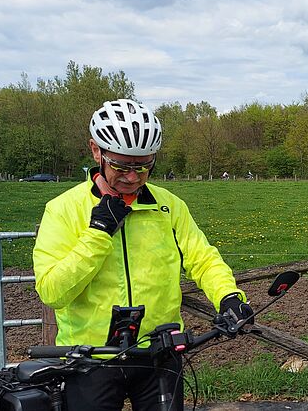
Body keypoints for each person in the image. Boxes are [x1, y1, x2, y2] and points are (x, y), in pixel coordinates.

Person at [32, 98, 253, 411]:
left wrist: (228, 296)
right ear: (96, 151)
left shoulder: (169, 206)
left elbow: (203, 259)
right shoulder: (63, 210)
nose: (133, 177)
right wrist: (98, 234)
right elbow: (52, 291)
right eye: (121, 166)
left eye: (143, 166)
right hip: (90, 358)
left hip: (159, 352)